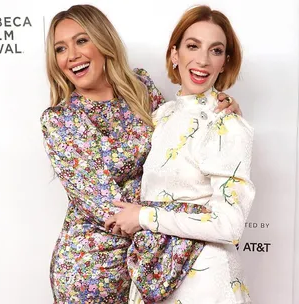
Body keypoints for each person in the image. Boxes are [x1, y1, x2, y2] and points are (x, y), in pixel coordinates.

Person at [41, 4, 242, 303]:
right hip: (93, 269)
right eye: (60, 48)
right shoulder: (60, 120)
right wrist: (200, 219)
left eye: (82, 40)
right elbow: (110, 211)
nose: (72, 55)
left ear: (102, 40)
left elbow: (176, 142)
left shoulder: (141, 87)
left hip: (150, 260)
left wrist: (220, 110)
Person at [105, 5, 255, 304]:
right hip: (155, 274)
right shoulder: (162, 114)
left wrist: (144, 217)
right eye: (192, 46)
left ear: (225, 62)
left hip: (203, 284)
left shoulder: (227, 123)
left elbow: (228, 225)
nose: (202, 60)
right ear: (175, 55)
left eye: (215, 50)